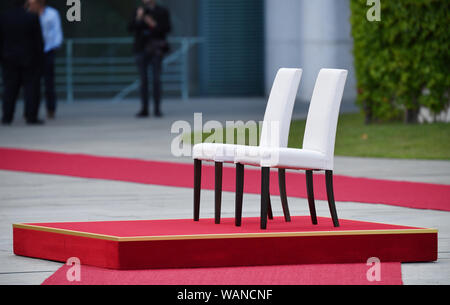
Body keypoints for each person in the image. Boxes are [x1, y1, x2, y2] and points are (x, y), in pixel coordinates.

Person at [0, 0, 44, 125]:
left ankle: (7, 116)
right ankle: (31, 116)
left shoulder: (4, 17)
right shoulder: (31, 17)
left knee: (9, 89)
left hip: (9, 59)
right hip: (29, 59)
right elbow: (38, 41)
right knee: (31, 89)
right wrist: (40, 59)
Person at [128, 0, 171, 118]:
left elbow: (166, 29)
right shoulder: (138, 10)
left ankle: (157, 109)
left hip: (156, 49)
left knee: (156, 79)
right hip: (141, 49)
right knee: (143, 80)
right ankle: (144, 109)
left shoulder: (162, 11)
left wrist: (151, 22)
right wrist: (139, 17)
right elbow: (130, 28)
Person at [27, 0, 63, 119]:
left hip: (47, 50)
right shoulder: (28, 14)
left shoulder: (52, 14)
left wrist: (55, 45)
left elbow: (57, 32)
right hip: (32, 52)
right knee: (32, 83)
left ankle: (50, 108)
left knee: (49, 83)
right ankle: (31, 110)